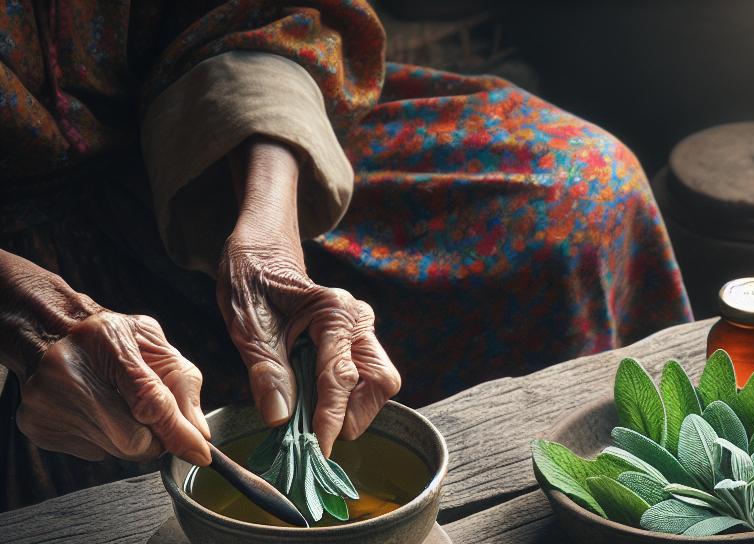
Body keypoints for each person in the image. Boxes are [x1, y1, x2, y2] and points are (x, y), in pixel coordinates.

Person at [0, 1, 690, 510]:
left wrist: (269, 227)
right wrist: (31, 319)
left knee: (583, 196)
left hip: (194, 148)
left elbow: (251, 17)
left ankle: (589, 501)